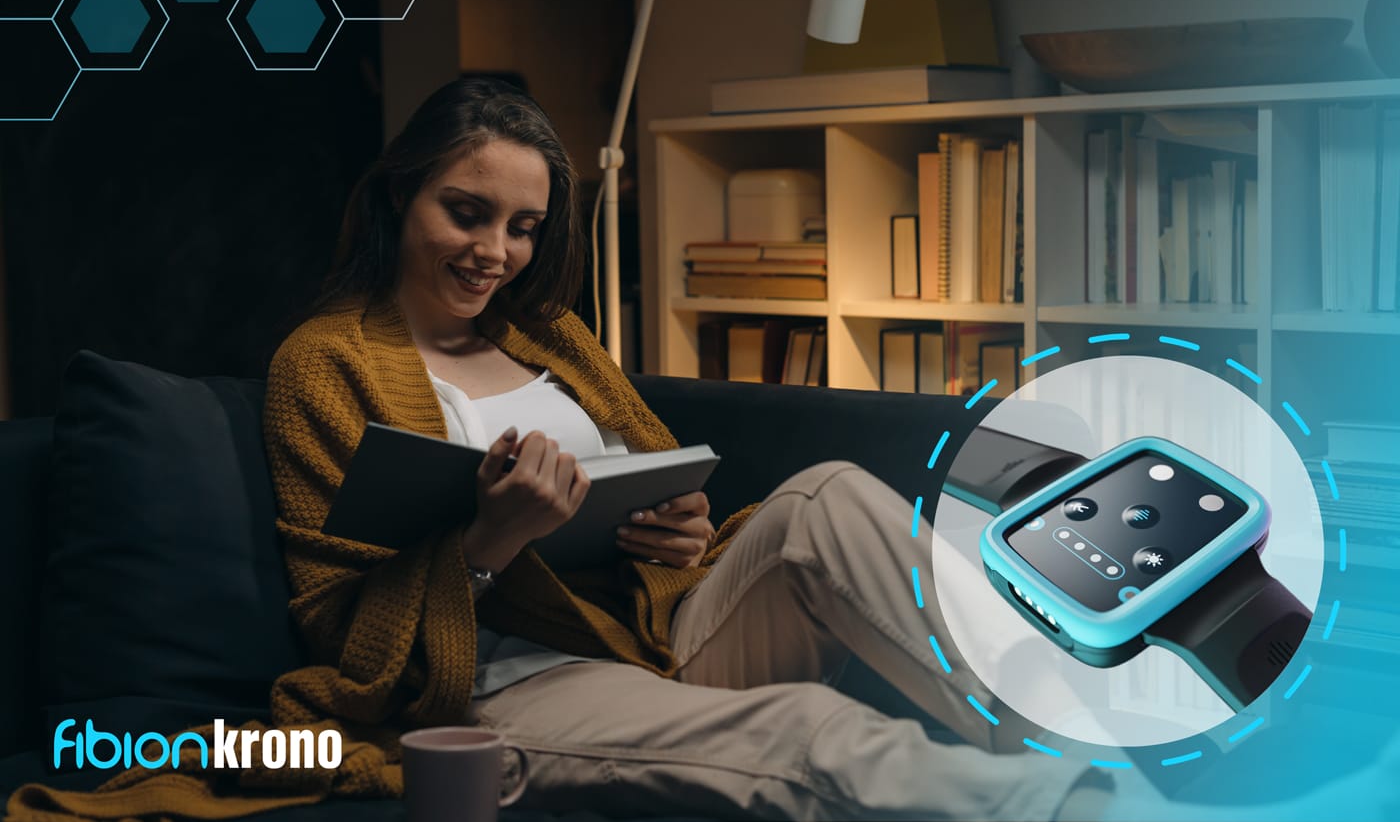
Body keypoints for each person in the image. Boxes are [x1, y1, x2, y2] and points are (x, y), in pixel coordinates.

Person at [257, 76, 1400, 822]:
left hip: (646, 636)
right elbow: (343, 633)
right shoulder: (328, 363)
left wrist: (673, 529)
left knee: (826, 498)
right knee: (808, 732)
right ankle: (1117, 814)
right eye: (466, 213)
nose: (495, 253)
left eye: (522, 227)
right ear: (401, 194)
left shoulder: (545, 333)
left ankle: (1155, 748)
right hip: (489, 690)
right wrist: (492, 541)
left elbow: (652, 495)